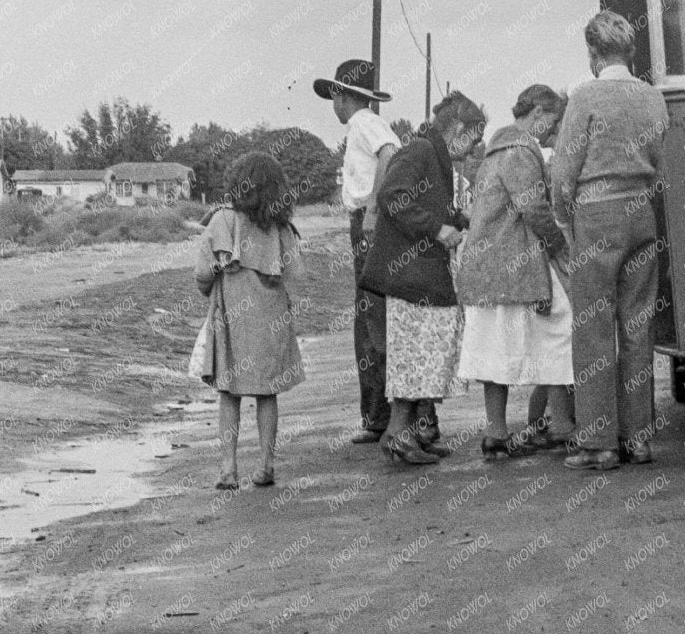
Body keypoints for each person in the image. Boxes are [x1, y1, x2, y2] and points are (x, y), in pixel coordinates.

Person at [549, 10, 670, 471]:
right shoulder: (653, 98)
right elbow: (659, 161)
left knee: (594, 329)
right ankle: (638, 439)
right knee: (637, 326)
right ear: (630, 52)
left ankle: (599, 441)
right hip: (642, 211)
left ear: (594, 53)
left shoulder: (584, 97)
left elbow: (564, 172)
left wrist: (565, 220)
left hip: (596, 216)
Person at [358, 90, 486, 468]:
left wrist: (458, 220)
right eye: (474, 138)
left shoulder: (432, 154)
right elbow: (391, 196)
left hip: (419, 276)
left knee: (424, 358)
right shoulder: (420, 151)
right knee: (414, 359)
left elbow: (421, 202)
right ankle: (398, 435)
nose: (474, 147)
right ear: (459, 128)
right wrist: (437, 228)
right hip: (409, 277)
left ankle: (409, 433)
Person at [456, 85, 577, 456]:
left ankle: (497, 432)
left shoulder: (496, 150)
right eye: (552, 123)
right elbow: (534, 209)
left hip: (486, 267)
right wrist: (561, 247)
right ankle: (561, 424)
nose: (552, 132)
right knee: (560, 328)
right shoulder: (520, 151)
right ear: (537, 114)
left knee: (494, 347)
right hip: (512, 264)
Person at [195, 150, 306, 490]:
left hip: (231, 320)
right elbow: (296, 274)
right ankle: (266, 463)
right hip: (271, 319)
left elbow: (201, 274)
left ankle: (228, 468)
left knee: (229, 394)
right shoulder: (282, 228)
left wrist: (215, 276)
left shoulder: (222, 221)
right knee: (267, 393)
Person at [314, 57, 399, 441]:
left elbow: (389, 155)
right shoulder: (363, 125)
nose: (333, 103)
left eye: (334, 95)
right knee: (369, 321)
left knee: (373, 321)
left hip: (367, 220)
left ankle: (382, 416)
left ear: (342, 96)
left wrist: (373, 208)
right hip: (363, 219)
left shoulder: (364, 123)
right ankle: (379, 414)